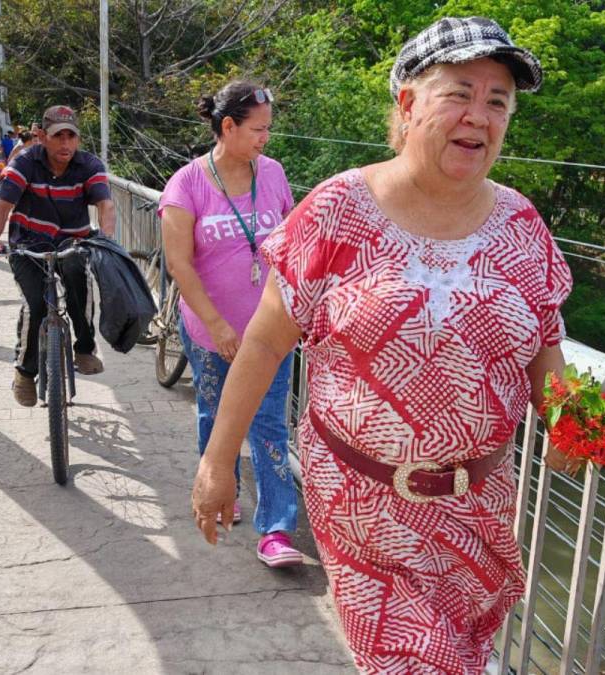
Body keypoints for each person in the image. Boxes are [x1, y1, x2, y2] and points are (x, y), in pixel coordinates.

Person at [191, 17, 576, 673]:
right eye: (459, 92)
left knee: (463, 654)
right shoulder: (340, 208)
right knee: (416, 662)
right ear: (408, 104)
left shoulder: (520, 224)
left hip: (478, 507)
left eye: (498, 101)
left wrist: (572, 421)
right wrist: (217, 462)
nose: (478, 116)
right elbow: (262, 343)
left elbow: (542, 346)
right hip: (363, 503)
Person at [160, 81, 303, 568]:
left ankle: (278, 527)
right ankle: (223, 489)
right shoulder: (187, 184)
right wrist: (218, 325)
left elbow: (293, 245)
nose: (267, 137)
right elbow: (179, 264)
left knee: (268, 425)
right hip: (209, 332)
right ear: (228, 127)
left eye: (269, 128)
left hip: (271, 332)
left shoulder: (275, 174)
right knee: (215, 414)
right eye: (258, 129)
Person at [0, 105, 117, 405]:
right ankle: (25, 373)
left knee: (80, 284)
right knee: (36, 306)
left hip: (72, 241)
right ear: (41, 136)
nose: (65, 144)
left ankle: (84, 348)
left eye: (71, 137)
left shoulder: (89, 165)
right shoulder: (26, 162)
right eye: (58, 136)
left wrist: (106, 239)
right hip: (28, 244)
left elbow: (105, 205)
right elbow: (2, 205)